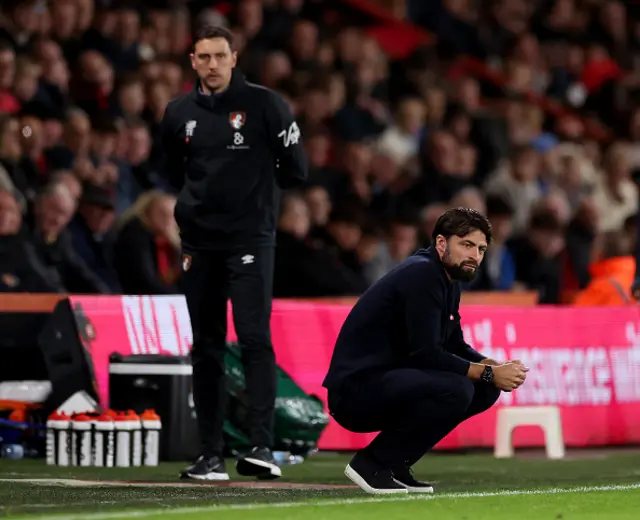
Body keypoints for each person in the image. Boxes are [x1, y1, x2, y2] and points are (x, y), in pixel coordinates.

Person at [159, 25, 307, 481]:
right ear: (192, 62)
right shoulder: (178, 112)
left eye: (220, 56)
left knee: (253, 339)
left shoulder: (266, 105)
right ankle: (210, 455)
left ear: (234, 57)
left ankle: (261, 446)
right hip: (199, 244)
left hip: (249, 241)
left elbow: (296, 169)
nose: (212, 65)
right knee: (204, 346)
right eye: (203, 57)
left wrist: (256, 202)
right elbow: (171, 171)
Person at [323, 207, 529, 495]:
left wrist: (487, 364)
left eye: (481, 249)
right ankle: (371, 463)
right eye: (467, 244)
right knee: (458, 388)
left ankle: (395, 463)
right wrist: (487, 372)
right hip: (356, 390)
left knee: (482, 388)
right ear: (441, 243)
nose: (475, 256)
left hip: (389, 381)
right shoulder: (422, 274)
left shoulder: (447, 278)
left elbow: (453, 343)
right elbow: (426, 353)